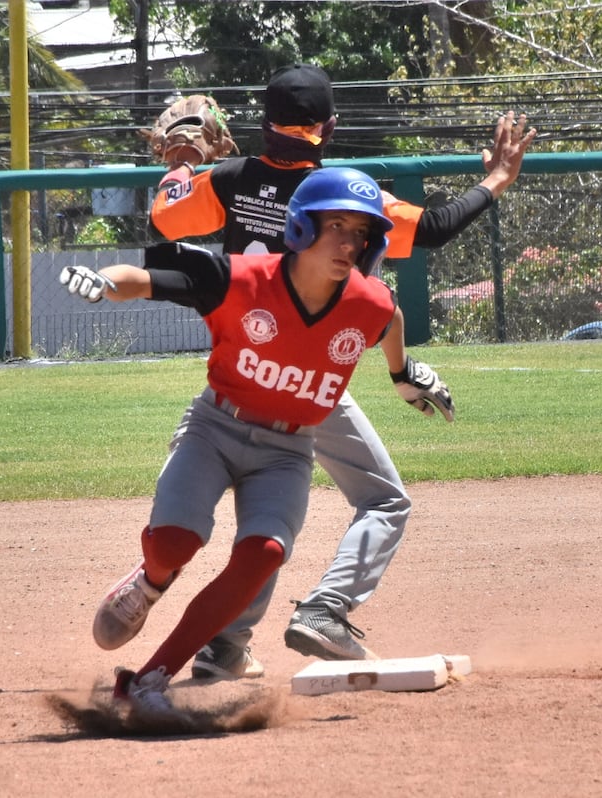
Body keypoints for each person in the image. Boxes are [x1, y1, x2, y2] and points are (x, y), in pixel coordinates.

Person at [147, 63, 536, 677]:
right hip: (309, 378)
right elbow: (433, 228)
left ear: (263, 124)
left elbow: (166, 218)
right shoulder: (338, 196)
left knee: (264, 526)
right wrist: (495, 179)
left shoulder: (227, 180)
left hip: (242, 363)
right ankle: (323, 611)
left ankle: (225, 645)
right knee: (384, 501)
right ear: (329, 127)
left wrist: (180, 158)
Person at [59, 166, 434, 720]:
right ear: (302, 228)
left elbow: (391, 318)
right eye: (336, 226)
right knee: (173, 543)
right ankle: (151, 580)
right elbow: (150, 278)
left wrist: (402, 376)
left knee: (264, 554)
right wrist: (105, 283)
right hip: (216, 428)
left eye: (360, 233)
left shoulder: (368, 302)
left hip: (287, 451)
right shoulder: (238, 278)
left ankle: (148, 680)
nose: (349, 243)